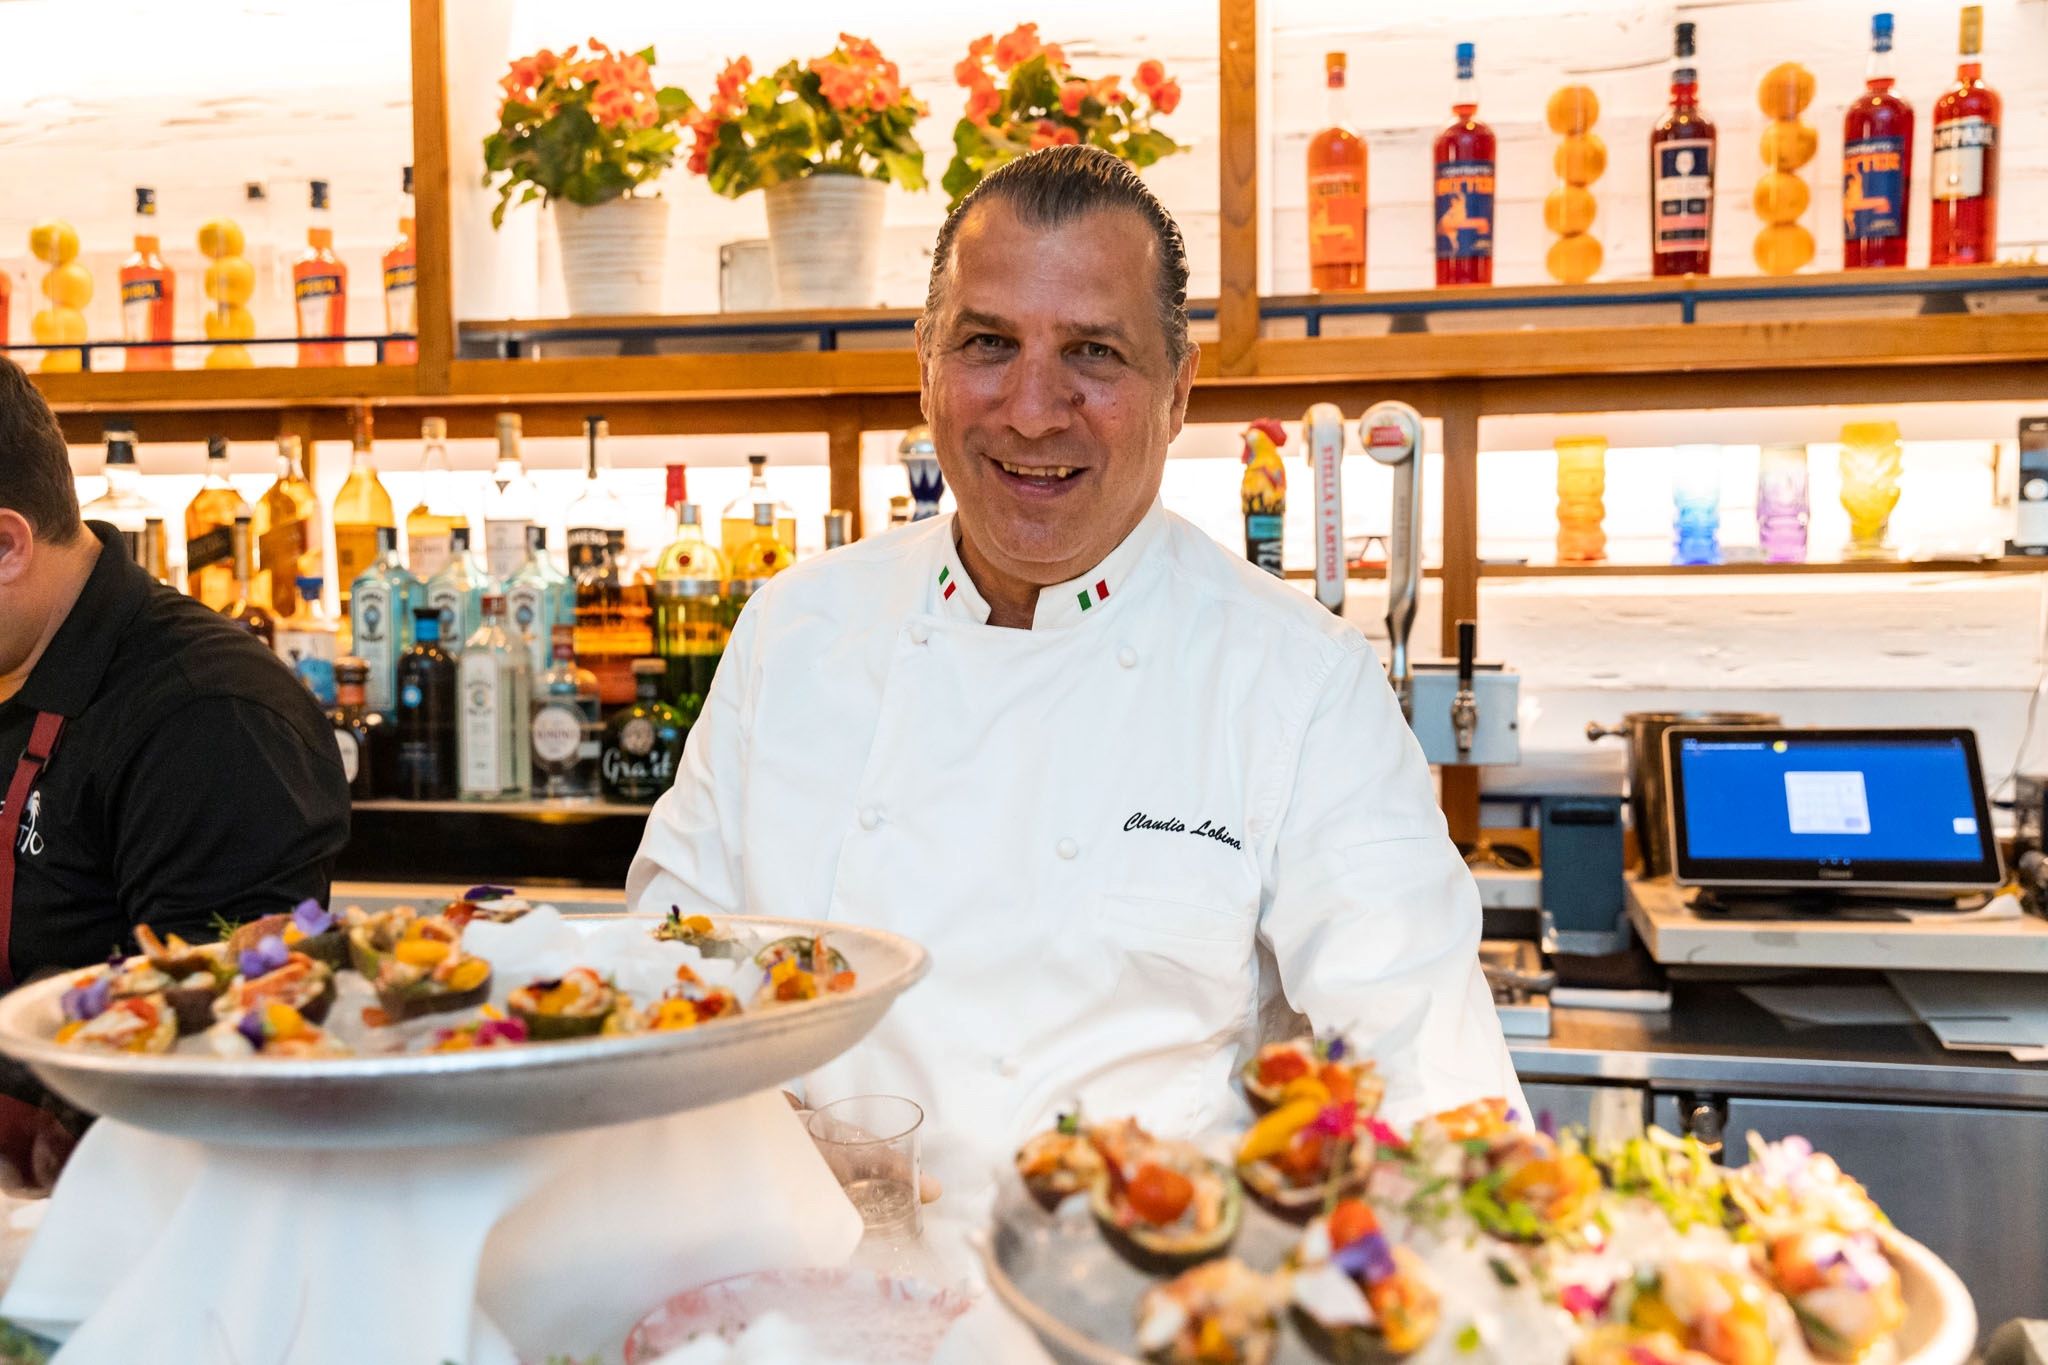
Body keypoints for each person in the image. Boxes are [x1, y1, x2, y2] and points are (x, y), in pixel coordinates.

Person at [629, 146, 1521, 1202]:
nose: (1033, 409)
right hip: (804, 1301)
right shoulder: (794, 630)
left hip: (1137, 1316)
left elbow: (1423, 1060)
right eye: (987, 344)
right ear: (923, 363)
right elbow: (661, 987)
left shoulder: (1296, 679)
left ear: (1178, 390)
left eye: (1092, 353)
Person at [0, 358, 350, 1180]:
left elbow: (201, 1045)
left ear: (6, 544)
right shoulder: (18, 662)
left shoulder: (212, 718)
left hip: (137, 1219)